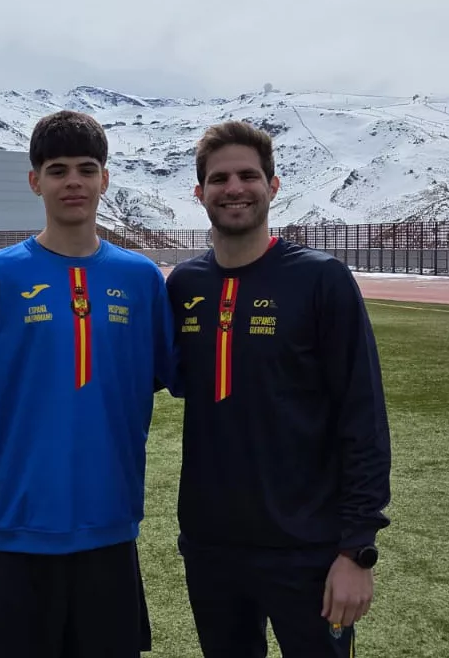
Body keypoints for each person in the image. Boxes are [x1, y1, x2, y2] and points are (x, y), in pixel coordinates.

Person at [0, 110, 176, 658]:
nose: (74, 182)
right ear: (36, 180)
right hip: (15, 531)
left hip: (109, 530)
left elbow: (175, 376)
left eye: (87, 169)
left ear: (105, 180)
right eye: (58, 170)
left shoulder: (140, 280)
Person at [165, 120, 392, 657]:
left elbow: (363, 417)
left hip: (307, 550)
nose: (234, 187)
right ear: (200, 193)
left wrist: (357, 550)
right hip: (210, 547)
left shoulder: (321, 280)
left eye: (248, 175)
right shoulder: (184, 287)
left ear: (273, 185)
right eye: (219, 179)